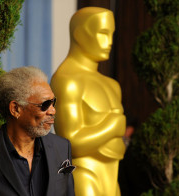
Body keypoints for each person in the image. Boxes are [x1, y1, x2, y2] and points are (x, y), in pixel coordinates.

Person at [0, 66, 75, 196]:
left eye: (53, 102)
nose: (52, 111)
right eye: (45, 105)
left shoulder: (61, 148)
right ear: (15, 109)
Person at [51, 7, 126, 196]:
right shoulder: (67, 80)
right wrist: (112, 126)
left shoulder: (112, 85)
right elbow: (71, 142)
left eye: (111, 33)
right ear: (79, 34)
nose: (109, 41)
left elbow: (116, 145)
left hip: (112, 176)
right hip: (84, 176)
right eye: (102, 33)